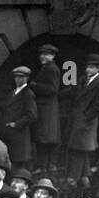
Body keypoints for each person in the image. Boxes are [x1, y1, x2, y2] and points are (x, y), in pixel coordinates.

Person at [66, 54, 99, 184]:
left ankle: (73, 178)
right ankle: (85, 176)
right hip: (78, 119)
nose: (88, 70)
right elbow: (72, 91)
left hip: (87, 122)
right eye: (87, 67)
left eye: (91, 67)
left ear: (98, 68)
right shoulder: (82, 80)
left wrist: (86, 117)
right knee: (81, 147)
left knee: (78, 148)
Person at [0, 65, 39, 169]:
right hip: (9, 136)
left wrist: (16, 124)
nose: (18, 79)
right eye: (16, 77)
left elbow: (32, 115)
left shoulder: (28, 94)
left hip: (20, 137)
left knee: (18, 167)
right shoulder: (13, 92)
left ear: (26, 78)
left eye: (21, 77)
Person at [31, 44, 62, 172]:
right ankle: (44, 166)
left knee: (45, 138)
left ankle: (45, 166)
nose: (42, 56)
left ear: (53, 56)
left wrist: (35, 85)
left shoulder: (52, 69)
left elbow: (53, 89)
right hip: (46, 108)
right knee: (44, 138)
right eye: (41, 54)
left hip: (47, 109)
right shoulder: (47, 68)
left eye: (46, 54)